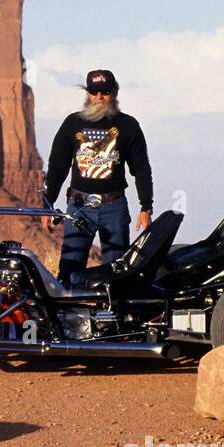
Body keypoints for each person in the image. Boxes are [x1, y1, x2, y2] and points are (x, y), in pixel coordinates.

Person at [43, 69, 154, 287]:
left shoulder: (128, 126)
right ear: (87, 93)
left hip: (114, 206)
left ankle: (112, 318)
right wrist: (47, 204)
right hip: (78, 206)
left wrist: (146, 207)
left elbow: (141, 168)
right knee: (70, 268)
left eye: (105, 91)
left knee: (117, 271)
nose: (100, 97)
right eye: (94, 92)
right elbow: (57, 167)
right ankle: (69, 317)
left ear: (114, 92)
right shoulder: (72, 124)